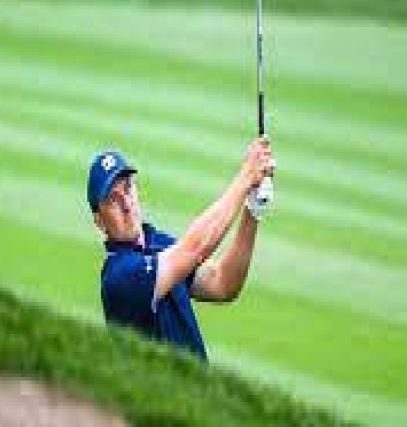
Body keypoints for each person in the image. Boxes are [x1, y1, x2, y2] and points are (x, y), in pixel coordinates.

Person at [87, 136, 275, 360]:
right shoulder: (120, 276)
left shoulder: (157, 243)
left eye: (128, 189)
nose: (126, 204)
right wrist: (246, 178)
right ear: (99, 221)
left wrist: (253, 210)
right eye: (112, 200)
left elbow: (222, 284)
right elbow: (196, 249)